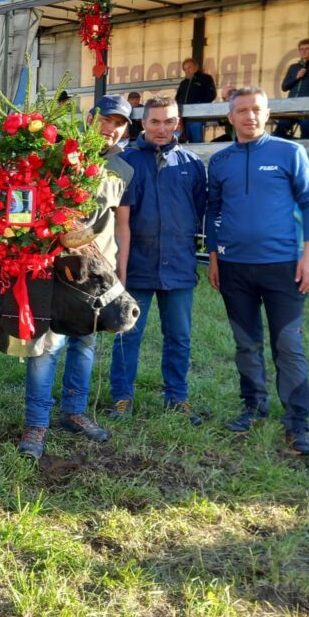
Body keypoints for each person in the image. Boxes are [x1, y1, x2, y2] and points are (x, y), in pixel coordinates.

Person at [17, 94, 134, 460]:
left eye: (119, 124)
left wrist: (120, 273)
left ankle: (75, 412)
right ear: (90, 119)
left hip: (99, 275)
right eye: (106, 120)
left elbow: (123, 225)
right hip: (58, 270)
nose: (111, 129)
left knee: (84, 344)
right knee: (46, 347)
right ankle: (36, 423)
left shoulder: (124, 172)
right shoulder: (61, 159)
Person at [206, 87, 309, 456]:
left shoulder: (290, 152)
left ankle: (297, 424)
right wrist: (213, 256)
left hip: (283, 268)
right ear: (230, 116)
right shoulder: (220, 160)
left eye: (256, 110)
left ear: (267, 112)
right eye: (242, 111)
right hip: (234, 267)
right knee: (246, 342)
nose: (250, 117)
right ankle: (253, 408)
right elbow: (212, 210)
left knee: (287, 344)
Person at [108, 97, 207, 424]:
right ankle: (122, 397)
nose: (162, 129)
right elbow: (119, 220)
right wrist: (120, 268)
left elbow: (197, 211)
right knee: (128, 334)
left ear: (177, 123)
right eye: (155, 122)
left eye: (168, 122)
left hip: (179, 267)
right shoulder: (128, 162)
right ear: (143, 123)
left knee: (179, 335)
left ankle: (177, 397)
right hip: (137, 266)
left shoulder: (191, 164)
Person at [275, 37, 309, 140]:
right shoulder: (293, 67)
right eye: (301, 49)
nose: (304, 51)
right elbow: (284, 87)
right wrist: (297, 77)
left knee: (306, 132)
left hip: (308, 106)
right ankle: (292, 145)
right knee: (279, 131)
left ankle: (305, 153)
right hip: (291, 106)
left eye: (307, 48)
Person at [175, 58, 216, 144]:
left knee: (196, 142)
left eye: (189, 67)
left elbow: (211, 95)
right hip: (184, 119)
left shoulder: (205, 78)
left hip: (197, 117)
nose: (187, 70)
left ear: (196, 67)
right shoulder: (183, 83)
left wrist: (199, 106)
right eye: (185, 69)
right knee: (181, 143)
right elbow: (177, 98)